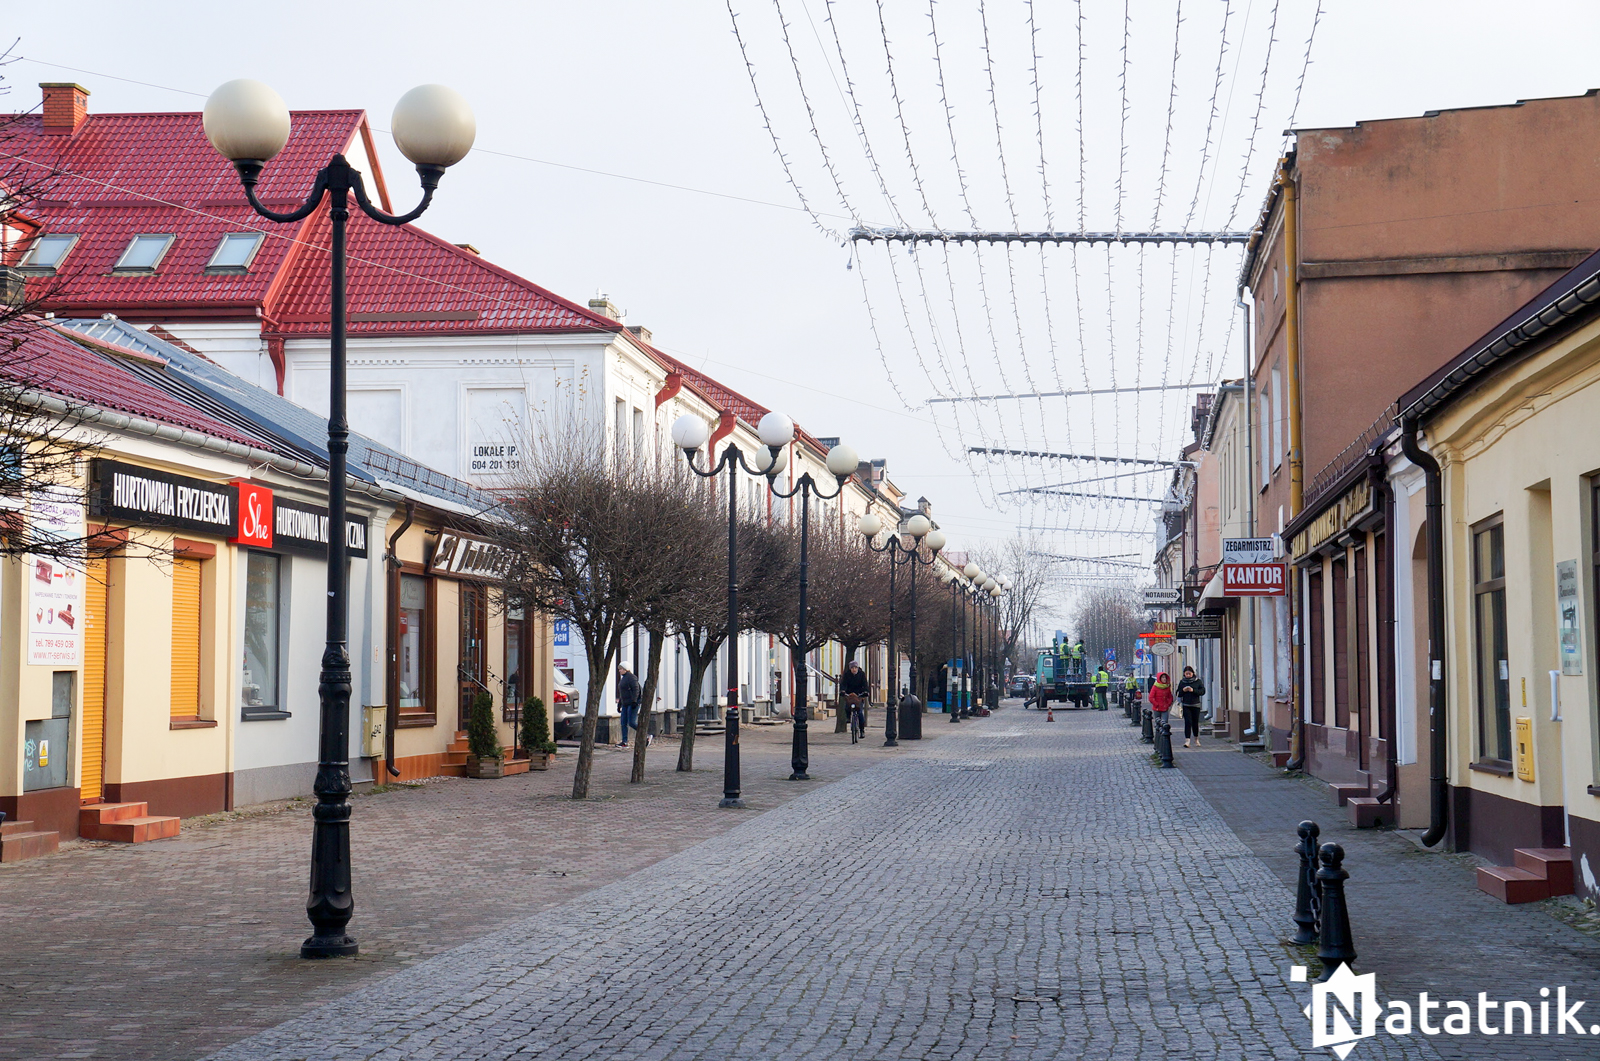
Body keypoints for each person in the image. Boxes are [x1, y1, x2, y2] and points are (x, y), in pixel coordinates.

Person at [1176, 665, 1207, 748]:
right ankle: (1187, 740)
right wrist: (1183, 690)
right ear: (1184, 674)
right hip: (1186, 705)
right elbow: (1178, 693)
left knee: (1195, 722)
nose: (1188, 675)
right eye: (1187, 674)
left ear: (1193, 673)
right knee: (1187, 722)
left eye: (1190, 673)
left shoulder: (1198, 681)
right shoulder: (1182, 682)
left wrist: (1193, 690)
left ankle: (1196, 739)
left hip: (1196, 705)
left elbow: (1202, 691)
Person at [841, 659, 870, 738]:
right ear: (850, 668)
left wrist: (866, 692)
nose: (854, 669)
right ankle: (848, 717)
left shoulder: (861, 674)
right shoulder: (847, 675)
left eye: (855, 668)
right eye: (852, 668)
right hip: (849, 694)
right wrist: (843, 691)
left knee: (860, 713)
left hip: (859, 695)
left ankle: (862, 730)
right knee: (847, 707)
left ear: (857, 668)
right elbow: (843, 684)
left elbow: (865, 684)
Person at [616, 664, 641, 747]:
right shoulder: (623, 679)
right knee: (623, 723)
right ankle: (624, 741)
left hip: (632, 704)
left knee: (631, 722)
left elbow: (636, 689)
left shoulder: (631, 677)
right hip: (625, 704)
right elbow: (622, 693)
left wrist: (634, 701)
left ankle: (644, 734)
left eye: (621, 669)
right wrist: (619, 704)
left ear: (626, 669)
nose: (619, 671)